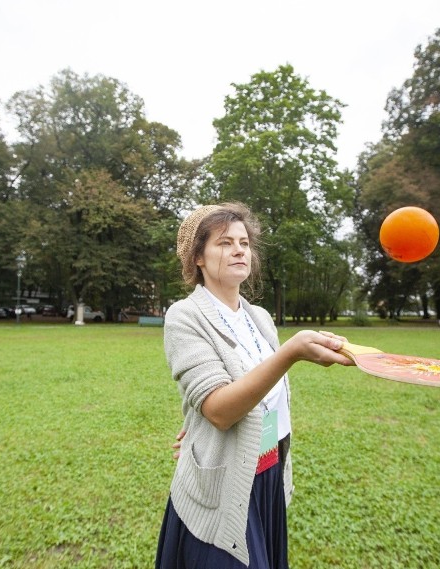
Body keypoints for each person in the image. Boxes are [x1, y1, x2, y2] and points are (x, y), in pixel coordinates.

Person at [155, 203, 353, 568]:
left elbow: (260, 398)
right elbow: (219, 411)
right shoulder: (185, 316)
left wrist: (197, 424)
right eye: (225, 242)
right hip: (223, 484)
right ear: (198, 256)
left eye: (244, 243)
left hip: (267, 472)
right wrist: (290, 353)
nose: (239, 250)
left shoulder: (259, 318)